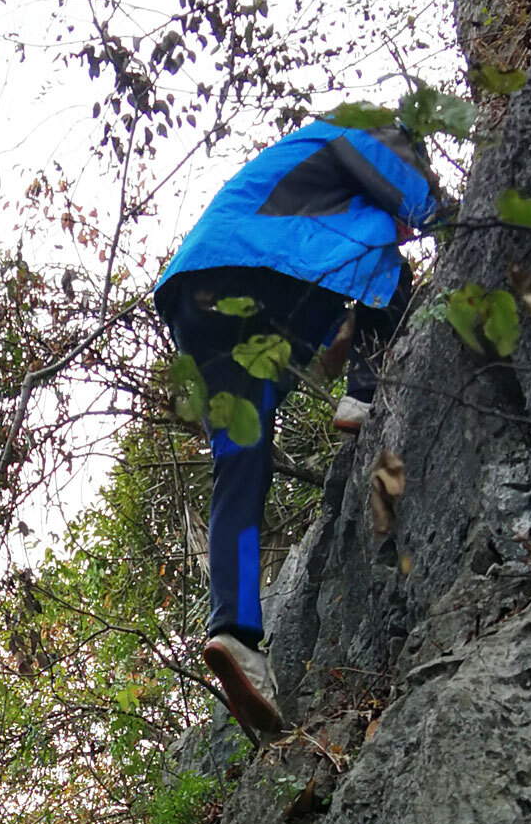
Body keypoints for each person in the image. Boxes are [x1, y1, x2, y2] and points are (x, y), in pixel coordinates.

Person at [155, 117, 440, 741]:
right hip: (248, 268)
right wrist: (450, 220)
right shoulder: (358, 134)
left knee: (243, 458)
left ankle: (235, 632)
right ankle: (362, 396)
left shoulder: (312, 194)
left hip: (193, 300)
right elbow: (386, 180)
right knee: (386, 263)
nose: (404, 224)